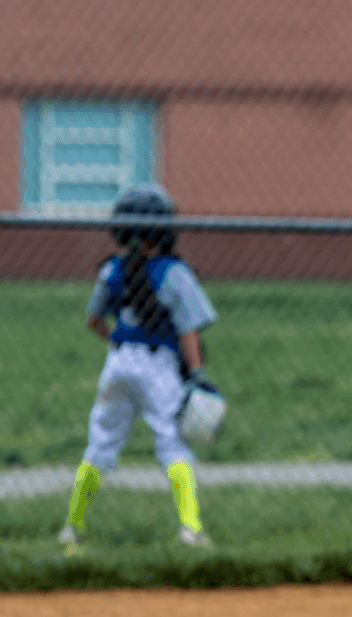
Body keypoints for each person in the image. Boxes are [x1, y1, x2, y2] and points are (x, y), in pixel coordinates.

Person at [58, 183, 220, 551]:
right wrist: (196, 373)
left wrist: (120, 341)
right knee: (173, 441)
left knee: (101, 442)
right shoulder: (174, 273)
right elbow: (188, 330)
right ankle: (191, 530)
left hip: (117, 363)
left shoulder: (111, 271)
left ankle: (72, 527)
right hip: (158, 365)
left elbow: (94, 322)